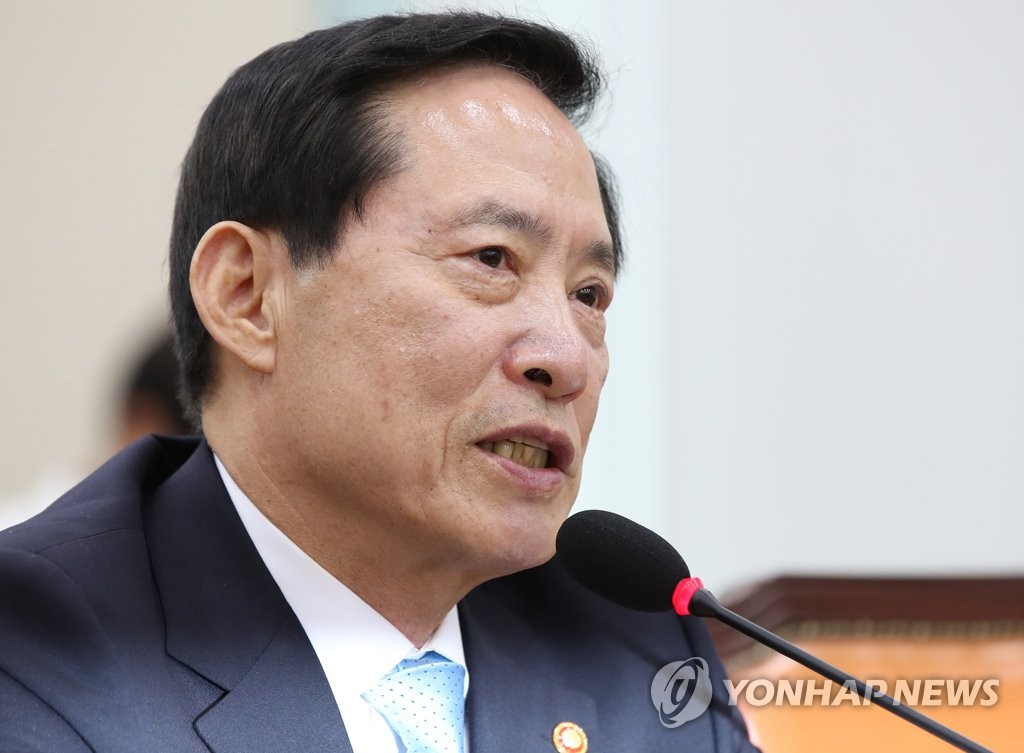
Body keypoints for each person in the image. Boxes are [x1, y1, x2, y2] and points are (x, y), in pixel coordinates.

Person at [0, 12, 757, 752]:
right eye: (491, 259)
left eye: (589, 295)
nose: (567, 359)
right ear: (248, 296)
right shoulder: (36, 653)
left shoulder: (636, 646)